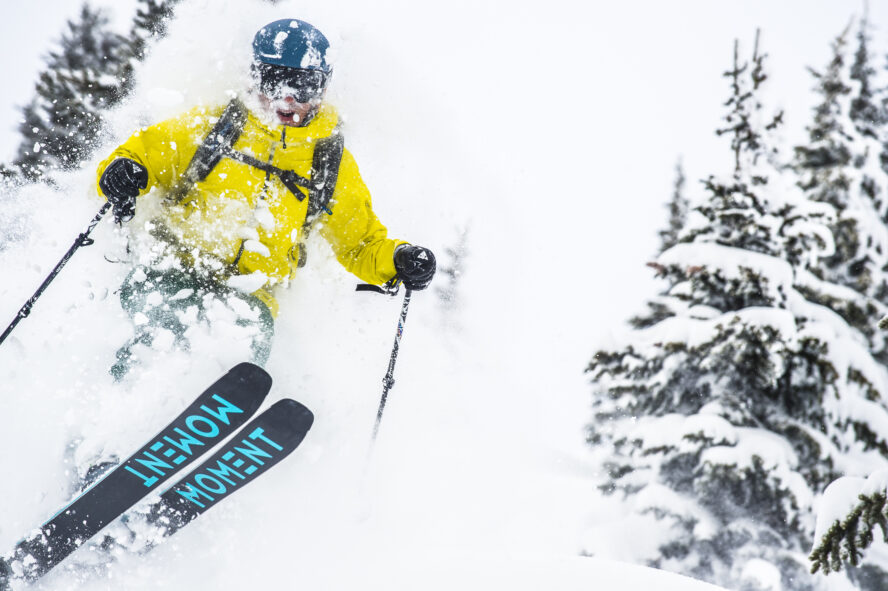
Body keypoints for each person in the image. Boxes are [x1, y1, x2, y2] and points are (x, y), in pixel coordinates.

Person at [96, 19, 436, 380]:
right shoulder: (214, 127)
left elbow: (361, 243)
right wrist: (124, 171)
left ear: (322, 87)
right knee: (164, 329)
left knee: (244, 340)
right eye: (274, 81)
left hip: (251, 296)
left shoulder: (329, 161)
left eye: (304, 86)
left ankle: (207, 414)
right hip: (169, 269)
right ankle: (122, 406)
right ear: (255, 76)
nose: (287, 98)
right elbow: (144, 153)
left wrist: (397, 259)